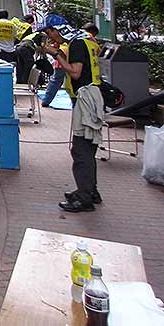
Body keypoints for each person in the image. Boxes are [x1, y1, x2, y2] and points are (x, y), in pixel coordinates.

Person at [39, 14, 104, 212]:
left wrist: (56, 54)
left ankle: (84, 199)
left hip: (85, 97)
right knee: (88, 146)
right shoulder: (87, 39)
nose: (49, 38)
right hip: (91, 95)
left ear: (55, 30)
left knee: (81, 149)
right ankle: (90, 191)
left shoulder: (76, 44)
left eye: (49, 33)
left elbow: (75, 72)